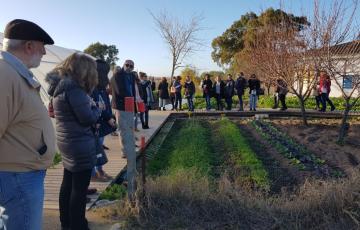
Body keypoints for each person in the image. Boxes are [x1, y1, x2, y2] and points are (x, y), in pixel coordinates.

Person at [0, 19, 56, 230]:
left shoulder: (13, 73)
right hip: (17, 177)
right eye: (42, 47)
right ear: (29, 46)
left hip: (21, 176)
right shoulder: (4, 74)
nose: (44, 53)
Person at [45, 52, 101, 230]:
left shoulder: (60, 87)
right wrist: (97, 109)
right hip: (79, 143)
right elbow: (86, 118)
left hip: (67, 141)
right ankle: (78, 225)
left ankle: (66, 223)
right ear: (83, 70)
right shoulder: (73, 88)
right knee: (79, 189)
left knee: (68, 183)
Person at [90, 59, 116, 182]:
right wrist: (108, 117)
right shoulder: (91, 88)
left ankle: (99, 170)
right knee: (94, 149)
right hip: (95, 122)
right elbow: (97, 105)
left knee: (99, 148)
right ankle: (94, 173)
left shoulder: (100, 87)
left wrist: (110, 117)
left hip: (101, 121)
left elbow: (104, 104)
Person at [110, 60, 138, 158]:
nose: (129, 67)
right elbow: (119, 91)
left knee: (130, 128)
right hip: (120, 106)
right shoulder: (117, 75)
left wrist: (135, 105)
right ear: (123, 65)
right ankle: (124, 151)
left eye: (131, 66)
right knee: (122, 129)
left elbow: (133, 91)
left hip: (130, 105)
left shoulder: (131, 76)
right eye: (127, 65)